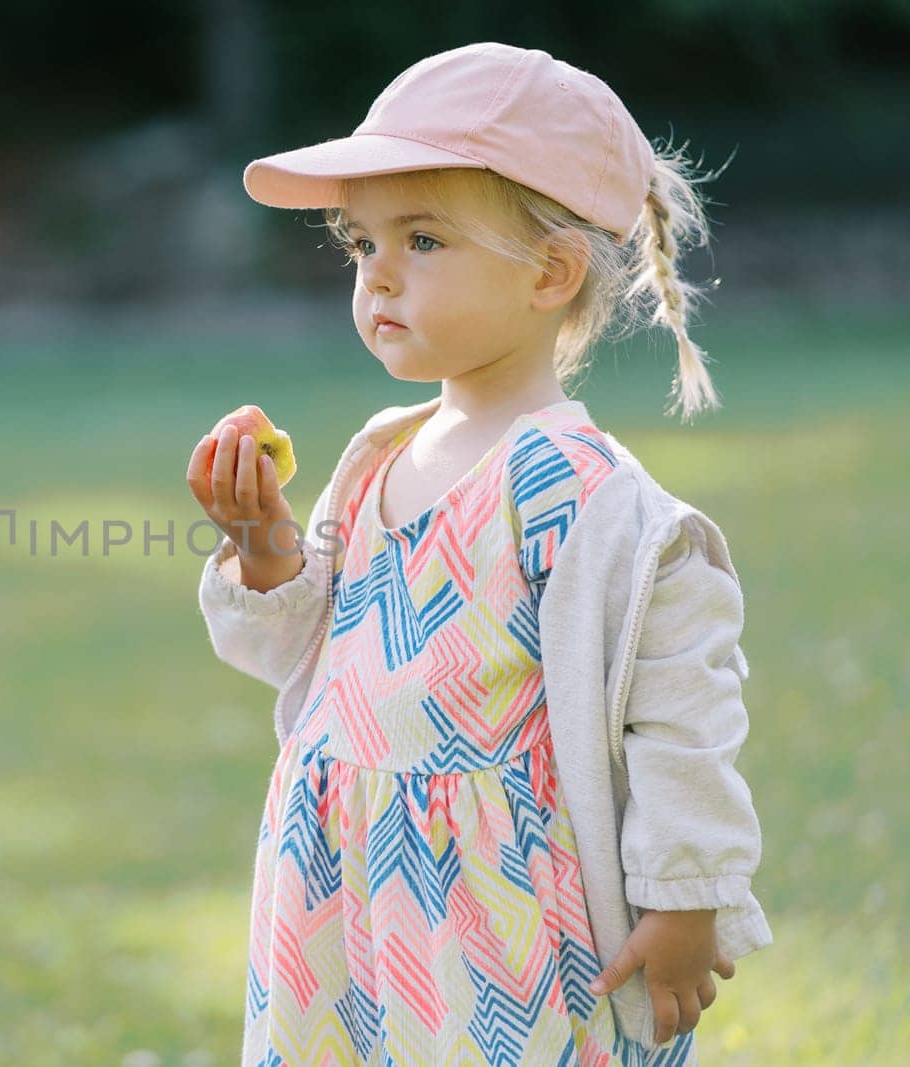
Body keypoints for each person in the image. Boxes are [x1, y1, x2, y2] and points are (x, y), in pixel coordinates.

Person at [187, 42, 771, 1067]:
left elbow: (683, 703)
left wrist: (686, 895)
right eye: (359, 241)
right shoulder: (380, 452)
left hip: (497, 911)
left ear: (549, 271)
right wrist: (264, 546)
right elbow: (307, 655)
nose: (375, 275)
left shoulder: (580, 490)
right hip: (344, 875)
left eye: (421, 239)